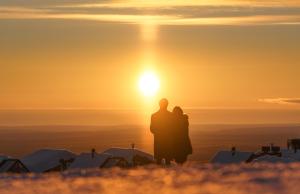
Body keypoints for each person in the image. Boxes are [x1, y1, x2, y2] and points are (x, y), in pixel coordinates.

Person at [150, 98, 173, 165]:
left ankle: (158, 174)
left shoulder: (154, 115)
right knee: (167, 161)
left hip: (159, 141)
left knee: (159, 161)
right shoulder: (171, 115)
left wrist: (158, 133)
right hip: (167, 141)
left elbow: (152, 129)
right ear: (167, 105)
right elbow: (174, 129)